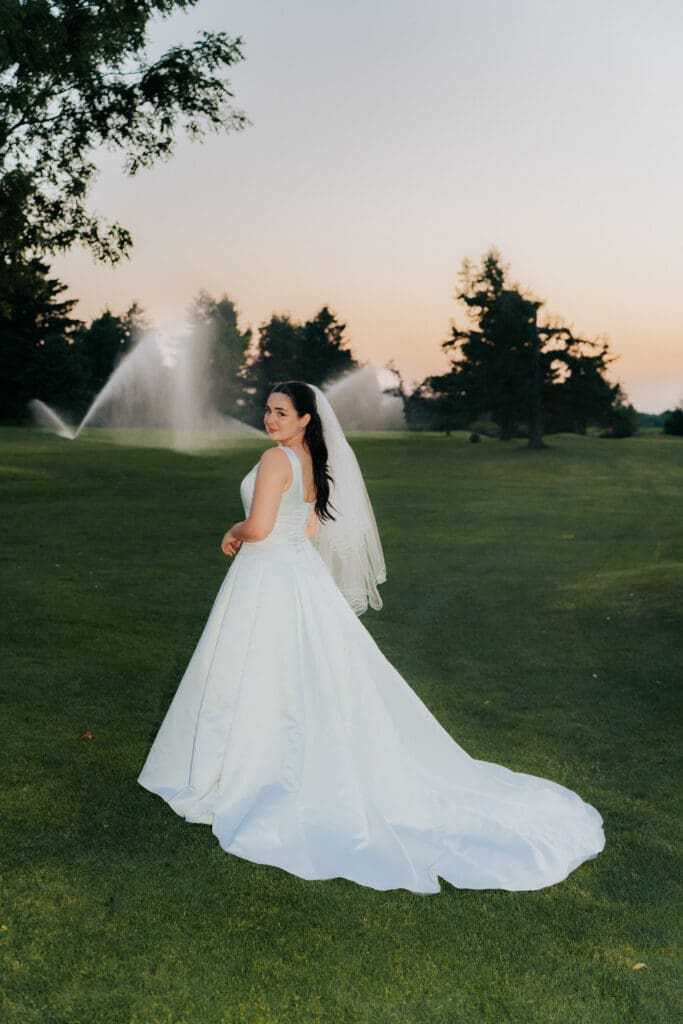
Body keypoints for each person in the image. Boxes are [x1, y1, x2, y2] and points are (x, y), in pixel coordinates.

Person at [138, 380, 605, 893]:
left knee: (256, 673)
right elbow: (310, 530)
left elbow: (263, 526)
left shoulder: (276, 462)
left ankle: (242, 770)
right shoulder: (311, 464)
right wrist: (270, 533)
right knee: (299, 676)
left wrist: (234, 529)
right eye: (267, 410)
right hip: (297, 574)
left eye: (280, 412)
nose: (270, 419)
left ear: (304, 420)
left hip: (268, 577)